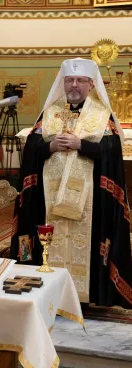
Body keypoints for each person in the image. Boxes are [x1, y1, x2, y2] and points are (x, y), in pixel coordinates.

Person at [11, 57, 132, 309]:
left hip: (90, 200)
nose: (74, 85)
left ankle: (88, 296)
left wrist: (82, 145)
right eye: (69, 80)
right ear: (62, 83)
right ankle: (47, 291)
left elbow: (112, 150)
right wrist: (50, 146)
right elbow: (32, 146)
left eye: (80, 80)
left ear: (91, 84)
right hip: (49, 199)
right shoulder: (50, 112)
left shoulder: (101, 115)